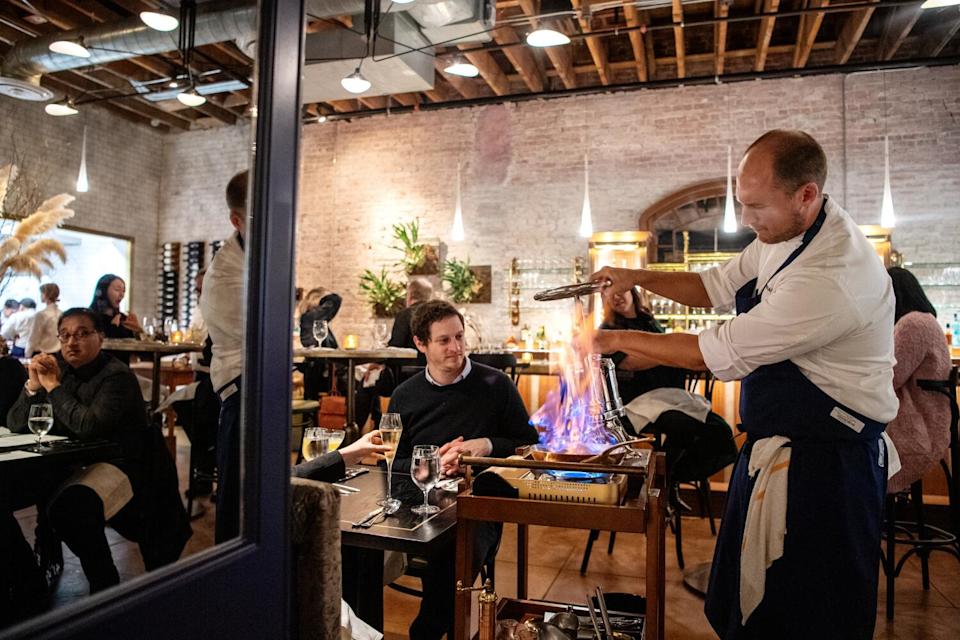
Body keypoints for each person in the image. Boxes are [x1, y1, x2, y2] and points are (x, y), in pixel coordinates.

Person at [590, 130, 898, 640]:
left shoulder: (829, 275)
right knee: (752, 614)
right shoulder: (785, 234)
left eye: (757, 207)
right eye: (741, 204)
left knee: (807, 616)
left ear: (807, 194)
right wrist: (634, 276)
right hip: (778, 448)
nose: (748, 221)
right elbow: (712, 286)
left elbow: (719, 353)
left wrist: (613, 337)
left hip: (823, 465)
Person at [6, 308, 190, 593]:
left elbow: (89, 426)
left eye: (82, 334)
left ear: (101, 337)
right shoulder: (57, 368)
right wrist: (31, 386)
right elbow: (16, 424)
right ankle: (23, 584)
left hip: (122, 462)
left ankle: (104, 585)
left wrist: (53, 387)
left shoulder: (116, 377)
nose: (71, 342)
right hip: (68, 460)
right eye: (65, 335)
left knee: (72, 507)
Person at [386, 300, 538, 639]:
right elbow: (389, 462)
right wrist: (429, 464)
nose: (456, 348)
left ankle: (426, 630)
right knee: (356, 548)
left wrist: (484, 445)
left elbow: (530, 444)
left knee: (453, 552)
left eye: (459, 336)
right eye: (444, 340)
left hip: (477, 501)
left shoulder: (496, 385)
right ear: (420, 344)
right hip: (419, 500)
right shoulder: (404, 395)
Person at [200, 169, 248, 543]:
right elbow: (262, 335)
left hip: (262, 383)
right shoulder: (224, 275)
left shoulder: (258, 256)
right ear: (236, 220)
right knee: (235, 496)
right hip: (241, 388)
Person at [884, 267, 952, 494]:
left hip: (917, 429)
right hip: (932, 420)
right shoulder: (926, 321)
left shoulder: (912, 324)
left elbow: (890, 377)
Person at [600, 287, 685, 403]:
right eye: (609, 294)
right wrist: (673, 354)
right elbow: (628, 363)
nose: (616, 297)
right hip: (638, 402)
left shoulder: (648, 320)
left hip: (669, 395)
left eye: (619, 291)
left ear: (631, 290)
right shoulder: (608, 330)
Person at [297, 286, 342, 400]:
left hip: (319, 372)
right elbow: (336, 299)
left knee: (366, 384)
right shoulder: (314, 316)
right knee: (365, 386)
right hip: (322, 373)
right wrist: (328, 294)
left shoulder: (310, 317)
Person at [89, 274, 143, 339]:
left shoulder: (124, 319)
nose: (122, 294)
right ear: (104, 291)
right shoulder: (90, 318)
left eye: (123, 291)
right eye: (117, 290)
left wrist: (138, 330)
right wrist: (113, 327)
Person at [388, 278, 433, 352]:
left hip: (408, 362)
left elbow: (395, 347)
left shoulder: (404, 315)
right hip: (434, 362)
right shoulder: (437, 314)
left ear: (410, 295)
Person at [30, 283, 62, 356]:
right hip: (59, 353)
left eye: (41, 293)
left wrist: (27, 353)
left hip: (42, 353)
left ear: (45, 294)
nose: (40, 296)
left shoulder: (41, 315)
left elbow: (34, 337)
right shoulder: (62, 314)